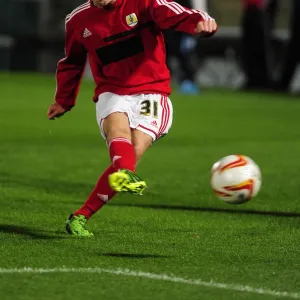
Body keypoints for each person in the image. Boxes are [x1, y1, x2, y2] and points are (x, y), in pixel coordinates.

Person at [47, 0, 217, 237]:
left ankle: (81, 215)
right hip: (112, 90)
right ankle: (123, 172)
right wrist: (63, 100)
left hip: (152, 93)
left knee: (134, 150)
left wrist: (199, 23)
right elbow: (72, 61)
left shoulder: (144, 3)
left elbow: (174, 13)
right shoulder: (77, 20)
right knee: (118, 133)